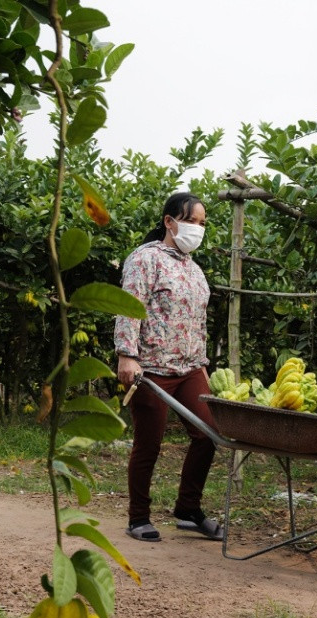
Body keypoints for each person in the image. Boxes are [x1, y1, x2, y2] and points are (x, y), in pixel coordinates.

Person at [114, 192, 223, 542]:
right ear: (169, 222)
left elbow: (199, 323)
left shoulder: (195, 270)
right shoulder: (145, 259)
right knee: (149, 443)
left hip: (190, 367)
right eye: (192, 221)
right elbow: (130, 306)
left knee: (209, 433)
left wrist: (203, 367)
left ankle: (188, 509)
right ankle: (138, 517)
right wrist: (126, 355)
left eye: (202, 224)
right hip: (152, 367)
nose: (197, 229)